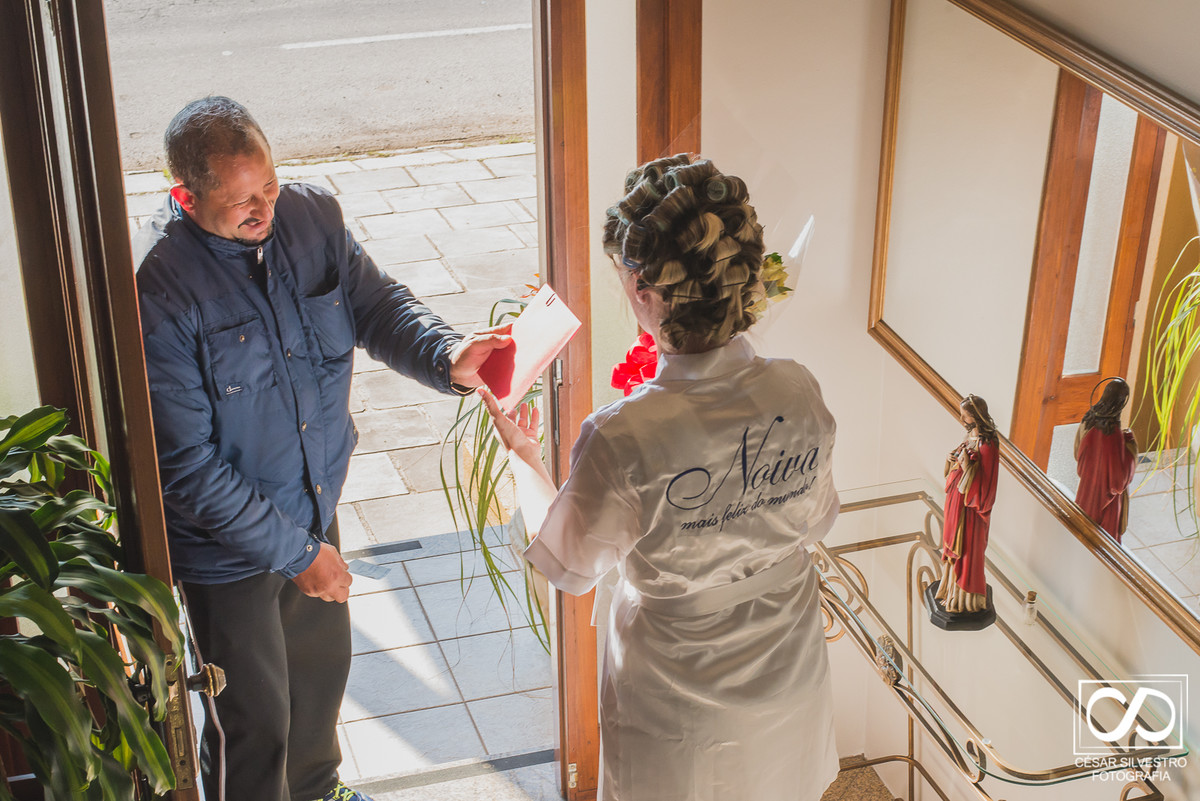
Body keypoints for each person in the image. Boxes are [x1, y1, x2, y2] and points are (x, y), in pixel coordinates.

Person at [133, 96, 509, 801]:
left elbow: (377, 305)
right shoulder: (160, 285)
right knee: (254, 718)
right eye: (241, 199)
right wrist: (299, 555)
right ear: (185, 195)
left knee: (319, 679)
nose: (264, 209)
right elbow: (184, 467)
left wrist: (448, 354)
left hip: (312, 498)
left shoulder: (313, 217)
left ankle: (317, 793)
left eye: (269, 185)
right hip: (225, 546)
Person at [482, 154, 841, 801]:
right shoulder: (799, 388)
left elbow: (568, 563)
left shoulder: (624, 436)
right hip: (789, 666)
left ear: (644, 292)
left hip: (681, 700)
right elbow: (814, 519)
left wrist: (521, 456)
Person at [935, 394, 999, 614]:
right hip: (956, 501)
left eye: (965, 415)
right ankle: (949, 589)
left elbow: (987, 484)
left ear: (976, 415)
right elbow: (959, 462)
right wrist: (952, 459)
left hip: (970, 509)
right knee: (952, 545)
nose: (962, 418)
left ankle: (965, 598)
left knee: (967, 551)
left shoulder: (988, 444)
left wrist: (967, 466)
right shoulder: (970, 435)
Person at [1074, 378, 1138, 542]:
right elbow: (1118, 482)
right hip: (1106, 506)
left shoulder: (1088, 418)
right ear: (1121, 402)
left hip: (1086, 491)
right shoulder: (1113, 435)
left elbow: (1078, 453)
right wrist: (1130, 446)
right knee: (1102, 545)